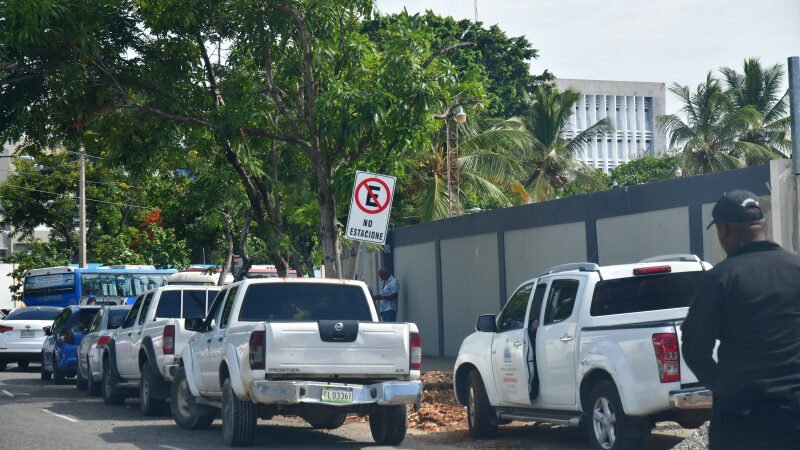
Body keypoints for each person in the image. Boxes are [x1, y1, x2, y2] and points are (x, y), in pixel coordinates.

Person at [681, 190, 800, 449]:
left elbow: (694, 349)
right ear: (763, 224)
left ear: (723, 230)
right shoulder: (796, 269)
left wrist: (723, 387)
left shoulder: (719, 279)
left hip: (741, 418)